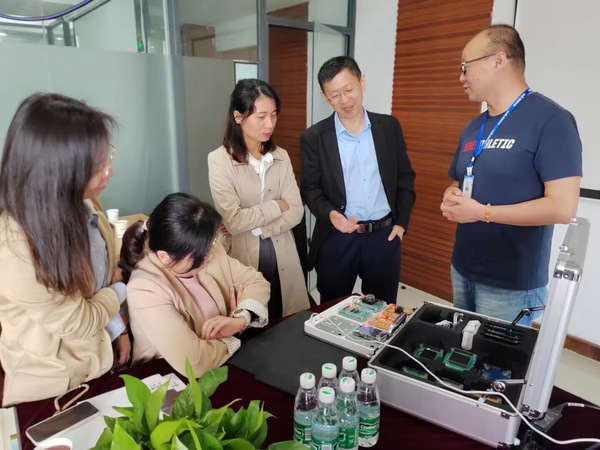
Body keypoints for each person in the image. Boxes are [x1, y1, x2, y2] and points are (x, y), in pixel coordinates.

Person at [440, 25, 582, 325]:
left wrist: (483, 212)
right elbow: (458, 181)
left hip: (511, 284)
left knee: (496, 356)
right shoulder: (473, 127)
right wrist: (452, 194)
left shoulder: (551, 120)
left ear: (498, 60)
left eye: (466, 66)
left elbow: (562, 207)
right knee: (461, 350)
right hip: (463, 268)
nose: (461, 77)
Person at [0, 93, 130, 406]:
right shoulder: (14, 245)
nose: (109, 172)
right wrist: (121, 289)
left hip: (98, 363)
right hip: (50, 387)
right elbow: (80, 320)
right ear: (58, 173)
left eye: (107, 157)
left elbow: (101, 281)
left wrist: (120, 330)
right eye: (97, 165)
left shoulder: (85, 201)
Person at [301, 56, 416, 304]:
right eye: (335, 95)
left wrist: (401, 225)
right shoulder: (314, 137)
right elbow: (310, 189)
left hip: (384, 236)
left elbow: (405, 179)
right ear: (325, 97)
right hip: (337, 237)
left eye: (349, 90)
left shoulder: (389, 126)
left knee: (382, 312)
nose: (344, 100)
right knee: (332, 309)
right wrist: (331, 214)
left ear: (362, 82)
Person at [120, 193, 270, 377]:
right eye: (200, 255)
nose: (209, 256)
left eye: (210, 245)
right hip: (171, 378)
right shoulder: (144, 288)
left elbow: (257, 282)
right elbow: (194, 361)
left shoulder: (205, 248)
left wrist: (241, 318)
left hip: (222, 363)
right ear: (165, 257)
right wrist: (233, 335)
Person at [208, 79, 309, 319]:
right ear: (238, 117)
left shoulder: (281, 156)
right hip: (243, 255)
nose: (270, 124)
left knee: (287, 318)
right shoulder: (219, 160)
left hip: (283, 252)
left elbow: (296, 211)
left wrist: (257, 228)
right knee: (252, 319)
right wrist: (276, 205)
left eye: (273, 115)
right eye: (261, 116)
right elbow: (234, 221)